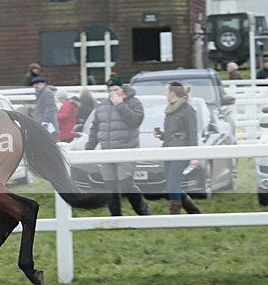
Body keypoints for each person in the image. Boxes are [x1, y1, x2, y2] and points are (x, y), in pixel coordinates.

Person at [86, 74, 152, 216]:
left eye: (115, 89)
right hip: (107, 152)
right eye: (110, 91)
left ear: (122, 89)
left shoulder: (134, 103)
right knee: (110, 186)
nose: (112, 93)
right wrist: (88, 148)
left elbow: (136, 121)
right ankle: (115, 215)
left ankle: (143, 210)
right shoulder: (102, 106)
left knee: (126, 184)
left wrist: (120, 105)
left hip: (126, 150)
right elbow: (95, 128)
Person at [154, 81, 201, 215]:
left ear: (172, 93)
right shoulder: (170, 110)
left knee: (173, 184)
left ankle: (175, 213)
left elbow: (192, 133)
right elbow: (172, 133)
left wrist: (194, 155)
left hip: (181, 151)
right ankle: (194, 212)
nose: (165, 95)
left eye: (166, 92)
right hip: (169, 149)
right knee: (171, 184)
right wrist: (162, 135)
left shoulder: (187, 110)